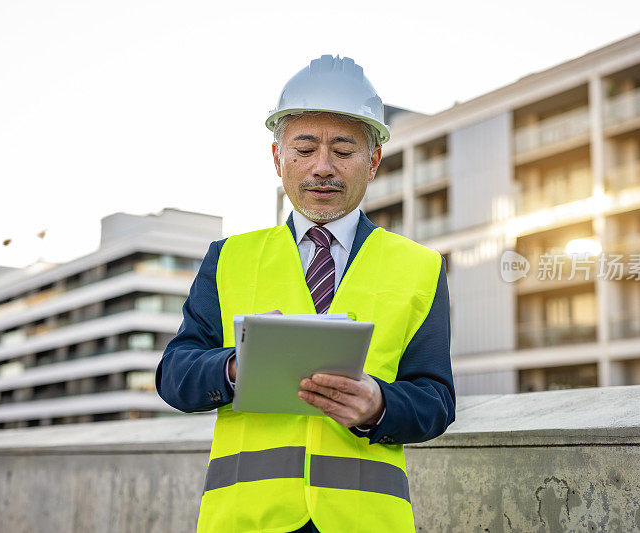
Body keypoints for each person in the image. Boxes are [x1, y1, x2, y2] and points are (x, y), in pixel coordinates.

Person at [156, 54, 455, 533]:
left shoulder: (420, 267)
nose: (322, 168)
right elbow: (174, 374)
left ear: (372, 161)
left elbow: (436, 400)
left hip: (366, 523)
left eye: (343, 150)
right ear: (278, 159)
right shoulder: (228, 258)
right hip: (246, 522)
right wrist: (235, 367)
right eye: (304, 148)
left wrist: (379, 406)